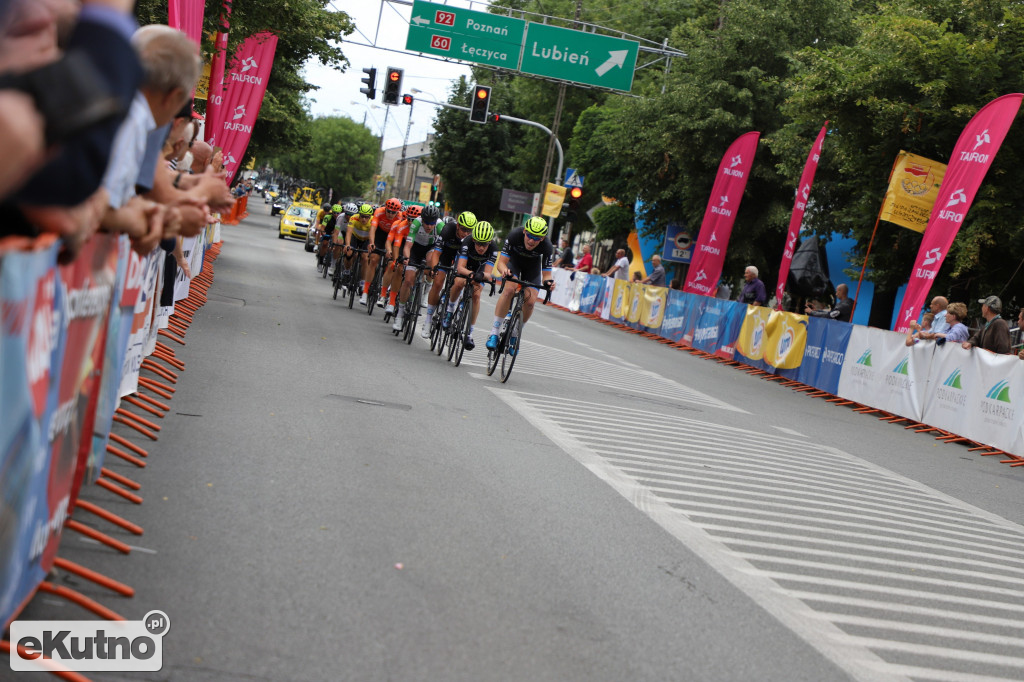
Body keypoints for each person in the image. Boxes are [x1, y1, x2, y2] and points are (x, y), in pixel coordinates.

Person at [487, 216, 555, 354]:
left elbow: (546, 275)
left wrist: (549, 283)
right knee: (509, 289)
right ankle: (494, 332)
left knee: (530, 301)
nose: (531, 240)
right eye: (529, 235)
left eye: (536, 238)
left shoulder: (547, 247)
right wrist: (504, 271)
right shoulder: (514, 235)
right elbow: (501, 263)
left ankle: (515, 333)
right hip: (514, 263)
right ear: (524, 231)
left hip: (532, 268)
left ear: (542, 238)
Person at [444, 220, 496, 350]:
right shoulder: (467, 242)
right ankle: (450, 311)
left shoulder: (494, 248)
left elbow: (488, 274)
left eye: (484, 244)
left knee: (477, 294)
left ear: (489, 242)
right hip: (466, 266)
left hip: (480, 270)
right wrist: (471, 274)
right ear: (473, 240)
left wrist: (481, 276)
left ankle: (469, 333)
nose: (481, 247)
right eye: (478, 243)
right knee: (459, 282)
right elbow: (460, 268)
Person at [424, 212, 475, 336]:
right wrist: (435, 268)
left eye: (469, 230)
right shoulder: (448, 230)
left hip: (461, 257)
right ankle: (428, 319)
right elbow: (436, 253)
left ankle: (454, 307)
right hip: (445, 254)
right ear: (458, 226)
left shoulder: (471, 237)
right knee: (438, 282)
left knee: (460, 282)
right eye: (463, 229)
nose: (466, 233)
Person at [391, 204, 440, 332]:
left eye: (432, 223)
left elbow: (442, 249)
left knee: (431, 261)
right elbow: (407, 246)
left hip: (430, 248)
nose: (429, 226)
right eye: (427, 223)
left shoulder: (440, 226)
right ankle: (400, 314)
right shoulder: (416, 223)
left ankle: (426, 291)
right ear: (422, 220)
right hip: (415, 249)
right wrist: (407, 258)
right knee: (408, 281)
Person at [363, 197, 404, 305]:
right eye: (388, 211)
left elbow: (397, 237)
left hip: (392, 236)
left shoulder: (400, 217)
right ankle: (365, 292)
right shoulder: (379, 212)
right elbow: (373, 229)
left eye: (393, 212)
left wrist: (390, 250)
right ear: (385, 208)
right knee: (373, 259)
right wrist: (371, 243)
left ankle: (383, 293)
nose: (390, 214)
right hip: (380, 234)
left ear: (397, 212)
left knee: (391, 264)